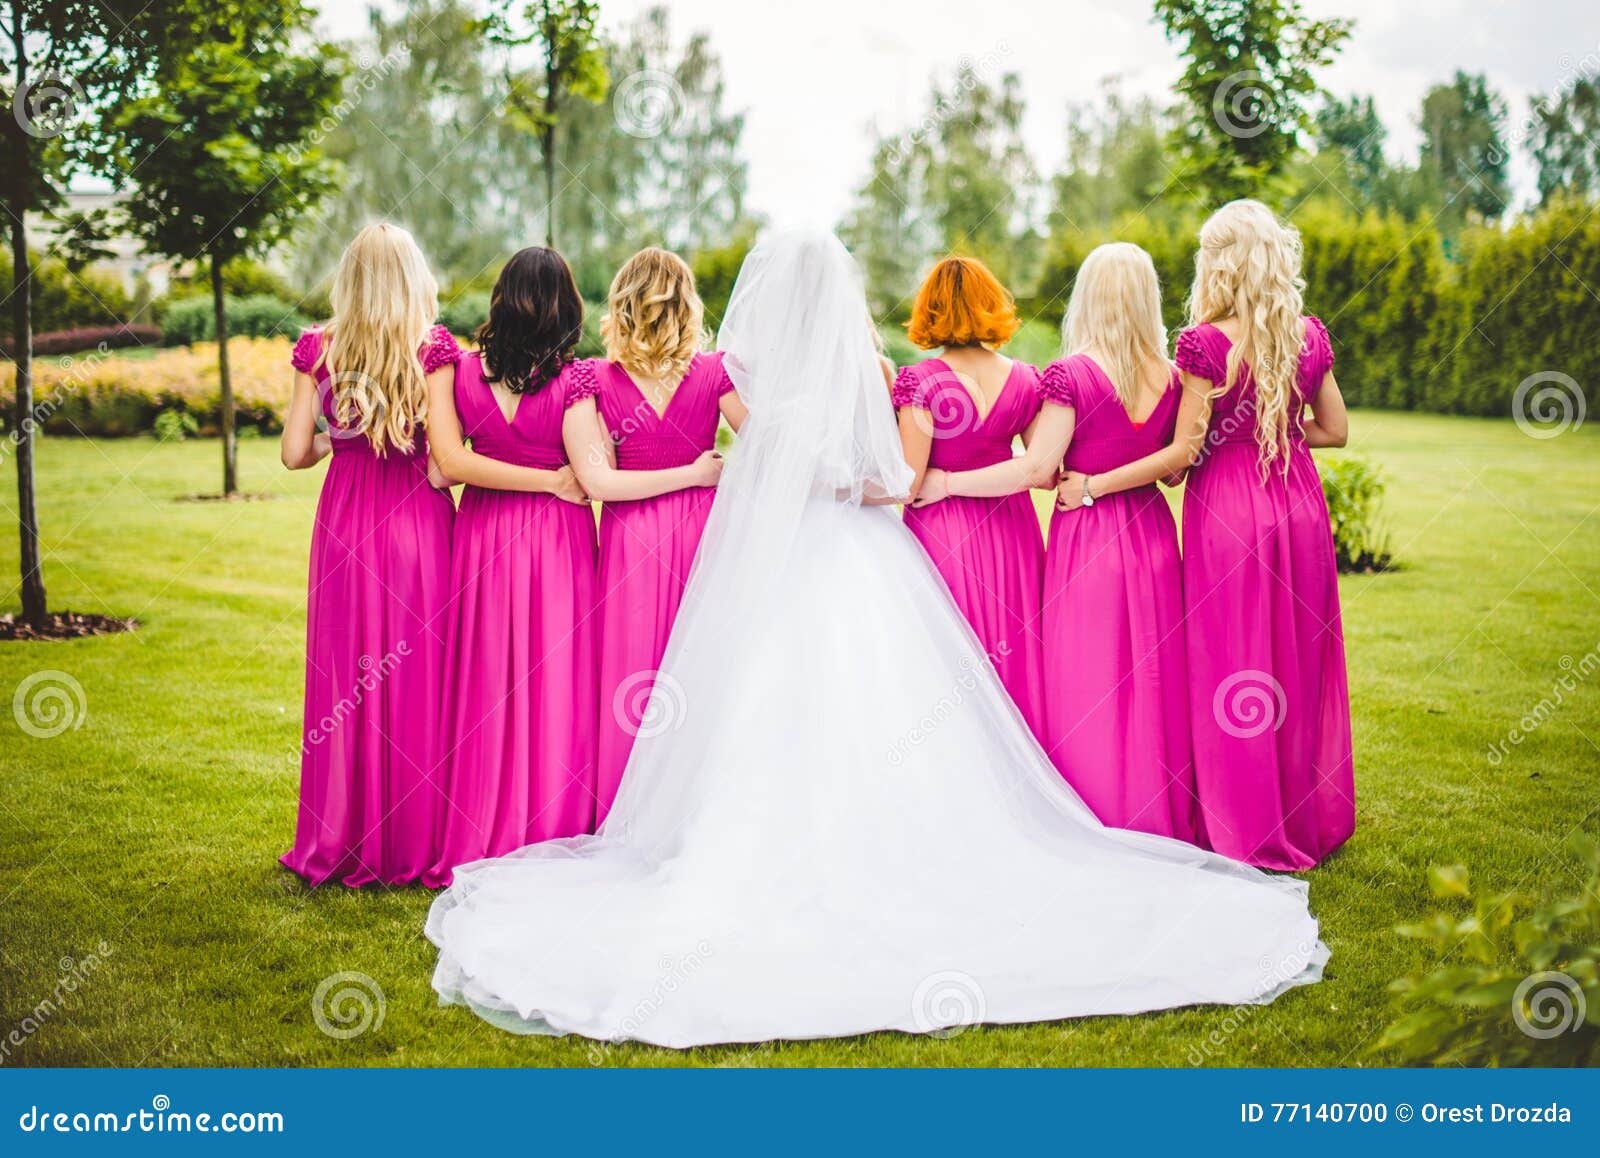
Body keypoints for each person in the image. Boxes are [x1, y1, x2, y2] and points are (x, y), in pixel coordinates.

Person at [426, 228, 1326, 1048]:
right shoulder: (863, 361)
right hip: (863, 555)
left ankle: (741, 852)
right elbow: (884, 475)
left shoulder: (754, 372)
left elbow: (773, 463)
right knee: (895, 700)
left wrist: (787, 480)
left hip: (789, 559)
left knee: (762, 700)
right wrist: (868, 486)